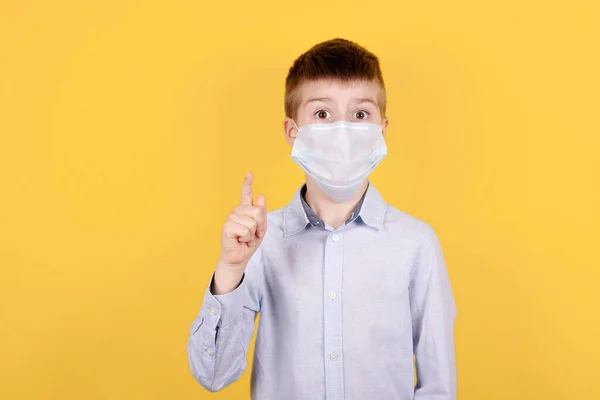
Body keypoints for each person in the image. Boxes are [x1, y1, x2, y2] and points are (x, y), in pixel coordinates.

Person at [187, 38, 458, 400]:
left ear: (382, 129)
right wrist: (231, 269)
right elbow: (213, 375)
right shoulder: (261, 242)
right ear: (292, 132)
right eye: (322, 114)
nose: (342, 131)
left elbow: (438, 386)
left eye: (360, 114)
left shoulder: (416, 243)